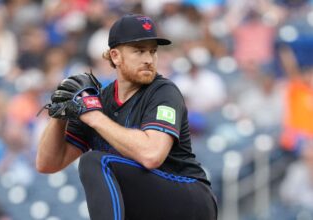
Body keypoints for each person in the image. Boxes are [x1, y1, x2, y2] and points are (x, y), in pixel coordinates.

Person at [36, 13, 217, 220]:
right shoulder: (99, 102)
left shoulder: (163, 91)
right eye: (139, 51)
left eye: (153, 51)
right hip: (148, 204)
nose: (149, 59)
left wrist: (95, 118)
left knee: (94, 161)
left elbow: (152, 155)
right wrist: (59, 116)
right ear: (115, 56)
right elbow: (47, 164)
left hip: (188, 197)